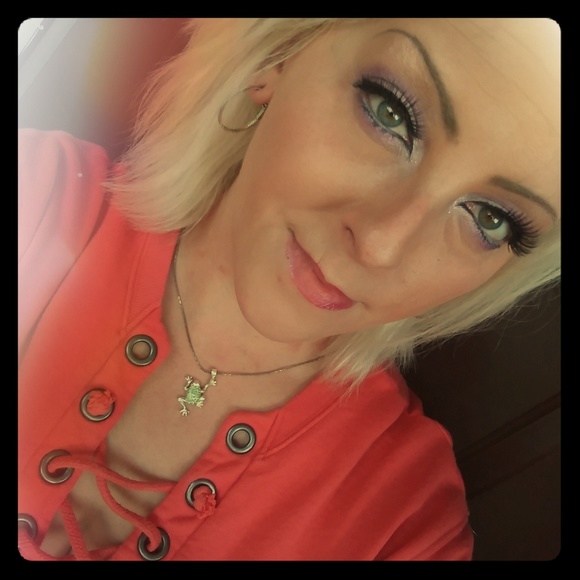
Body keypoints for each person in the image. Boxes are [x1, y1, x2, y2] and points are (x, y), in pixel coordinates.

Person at [18, 18, 561, 561]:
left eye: (490, 219)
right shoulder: (33, 194)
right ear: (278, 54)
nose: (380, 246)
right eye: (389, 112)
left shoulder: (403, 526)